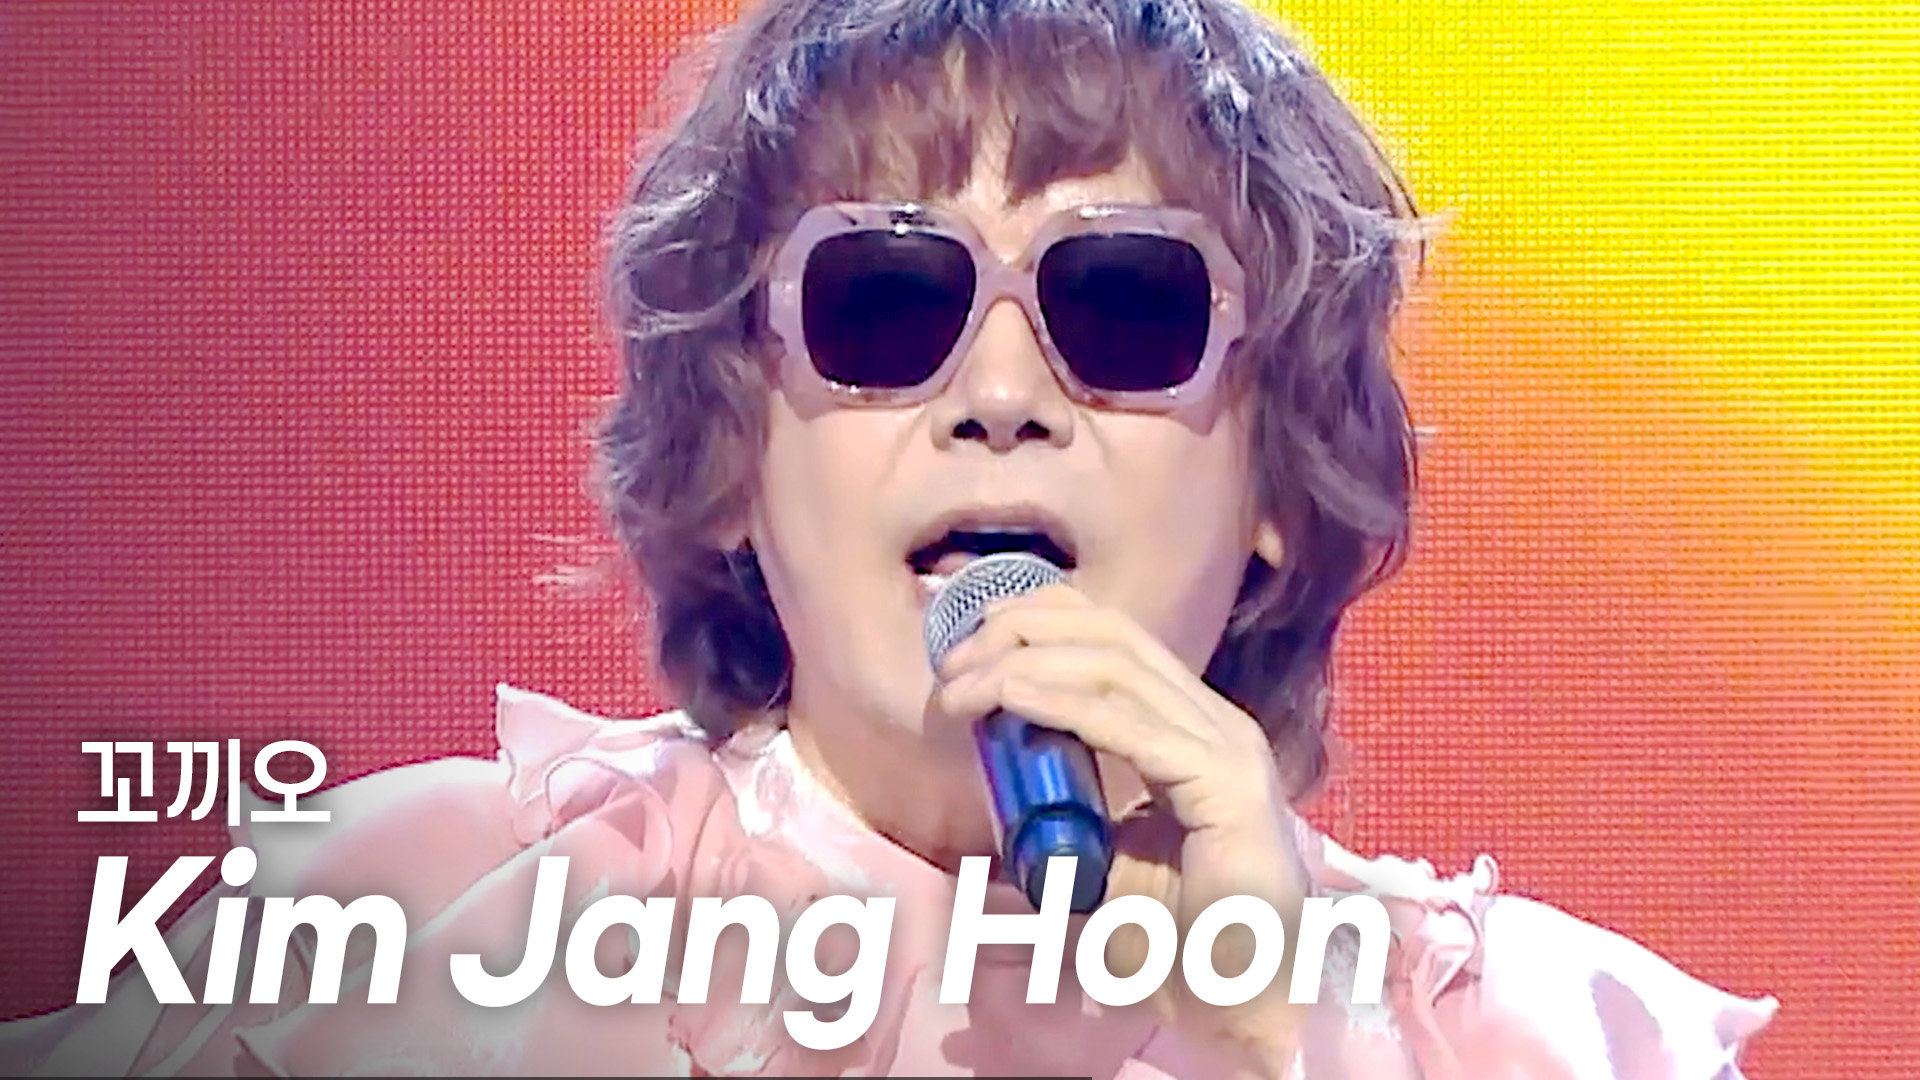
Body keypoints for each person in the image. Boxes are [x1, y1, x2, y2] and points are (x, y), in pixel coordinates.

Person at [1, 0, 1776, 1075]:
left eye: (1125, 304)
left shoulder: (1540, 1041)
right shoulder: (419, 924)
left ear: (1279, 491)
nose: (999, 393)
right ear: (729, 455)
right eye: (883, 301)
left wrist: (1275, 1044)